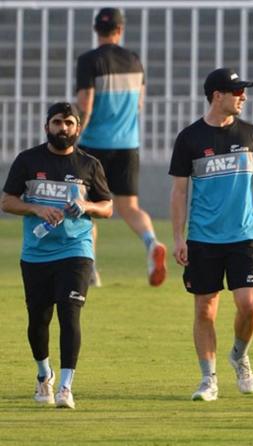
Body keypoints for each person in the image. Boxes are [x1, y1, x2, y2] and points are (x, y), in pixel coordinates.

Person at [169, 68, 253, 402]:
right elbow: (179, 192)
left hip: (243, 236)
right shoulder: (189, 138)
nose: (243, 96)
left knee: (249, 305)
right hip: (203, 239)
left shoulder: (251, 134)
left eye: (243, 91)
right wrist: (178, 238)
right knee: (205, 308)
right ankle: (208, 380)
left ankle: (239, 354)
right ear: (217, 96)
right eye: (237, 91)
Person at [1, 102, 113, 409]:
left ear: (78, 128)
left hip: (76, 250)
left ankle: (65, 387)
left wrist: (87, 207)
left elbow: (107, 207)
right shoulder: (27, 160)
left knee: (69, 312)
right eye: (57, 122)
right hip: (36, 253)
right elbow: (7, 202)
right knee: (39, 320)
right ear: (46, 126)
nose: (63, 128)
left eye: (69, 123)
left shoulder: (89, 165)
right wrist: (36, 208)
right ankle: (43, 375)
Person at [76, 7, 166, 287]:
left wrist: (75, 134)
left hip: (93, 145)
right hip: (128, 144)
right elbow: (139, 103)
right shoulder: (134, 60)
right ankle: (151, 243)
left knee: (89, 208)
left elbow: (85, 105)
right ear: (120, 30)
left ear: (96, 30)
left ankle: (90, 268)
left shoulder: (89, 61)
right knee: (129, 207)